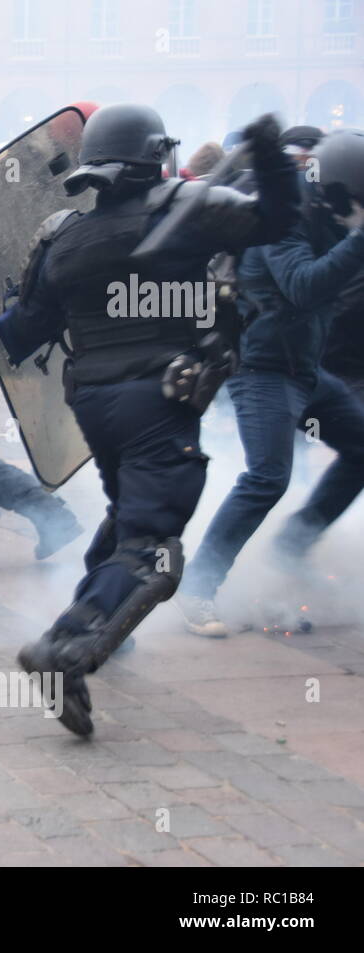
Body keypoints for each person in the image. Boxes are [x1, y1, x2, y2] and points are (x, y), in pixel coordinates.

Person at [0, 104, 299, 735]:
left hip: (96, 404)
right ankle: (66, 646)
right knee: (154, 550)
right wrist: (269, 157)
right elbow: (278, 218)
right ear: (155, 153)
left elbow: (24, 329)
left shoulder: (63, 236)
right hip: (159, 402)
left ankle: (102, 621)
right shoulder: (187, 211)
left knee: (126, 509)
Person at [175, 129, 364, 636]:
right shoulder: (284, 222)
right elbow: (304, 286)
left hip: (304, 371)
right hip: (260, 370)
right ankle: (197, 586)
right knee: (267, 477)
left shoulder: (330, 221)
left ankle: (290, 547)